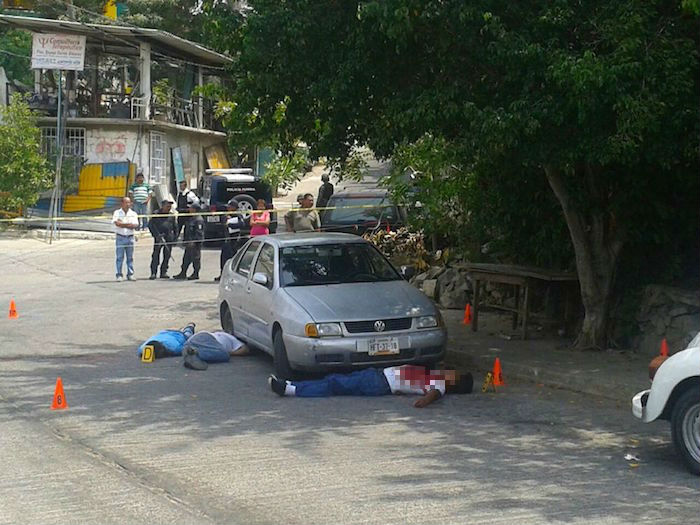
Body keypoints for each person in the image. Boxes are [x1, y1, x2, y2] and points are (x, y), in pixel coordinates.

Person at [269, 366, 473, 408]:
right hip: (379, 375)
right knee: (334, 379)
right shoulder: (435, 375)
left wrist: (423, 401)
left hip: (381, 382)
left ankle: (291, 391)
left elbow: (434, 395)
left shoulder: (439, 385)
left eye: (455, 374)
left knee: (335, 384)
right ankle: (291, 384)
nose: (450, 371)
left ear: (454, 381)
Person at [173, 199, 205, 280]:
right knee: (186, 258)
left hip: (194, 243)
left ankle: (195, 273)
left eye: (191, 208)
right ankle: (183, 273)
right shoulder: (191, 218)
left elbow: (199, 232)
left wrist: (194, 241)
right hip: (189, 242)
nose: (189, 209)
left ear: (195, 209)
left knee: (195, 258)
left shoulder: (198, 219)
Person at [215, 199, 245, 282]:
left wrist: (230, 224)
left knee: (232, 258)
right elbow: (223, 223)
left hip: (233, 240)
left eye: (230, 206)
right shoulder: (226, 214)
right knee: (223, 258)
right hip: (226, 239)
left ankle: (233, 275)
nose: (228, 208)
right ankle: (222, 274)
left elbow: (242, 224)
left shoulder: (238, 215)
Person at [148, 199, 177, 280]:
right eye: (167, 206)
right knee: (155, 255)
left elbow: (175, 228)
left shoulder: (171, 215)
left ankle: (163, 272)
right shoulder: (156, 214)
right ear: (163, 206)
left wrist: (175, 239)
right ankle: (153, 272)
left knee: (166, 256)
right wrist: (156, 235)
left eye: (170, 206)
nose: (169, 208)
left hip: (168, 237)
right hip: (159, 237)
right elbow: (150, 225)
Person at [112, 197, 139, 281]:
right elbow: (117, 223)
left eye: (129, 203)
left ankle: (130, 274)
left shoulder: (133, 213)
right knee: (119, 257)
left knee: (130, 257)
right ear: (122, 203)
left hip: (130, 237)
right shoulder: (117, 212)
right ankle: (119, 274)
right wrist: (128, 224)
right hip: (120, 237)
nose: (128, 204)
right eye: (126, 203)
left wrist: (123, 224)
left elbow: (135, 225)